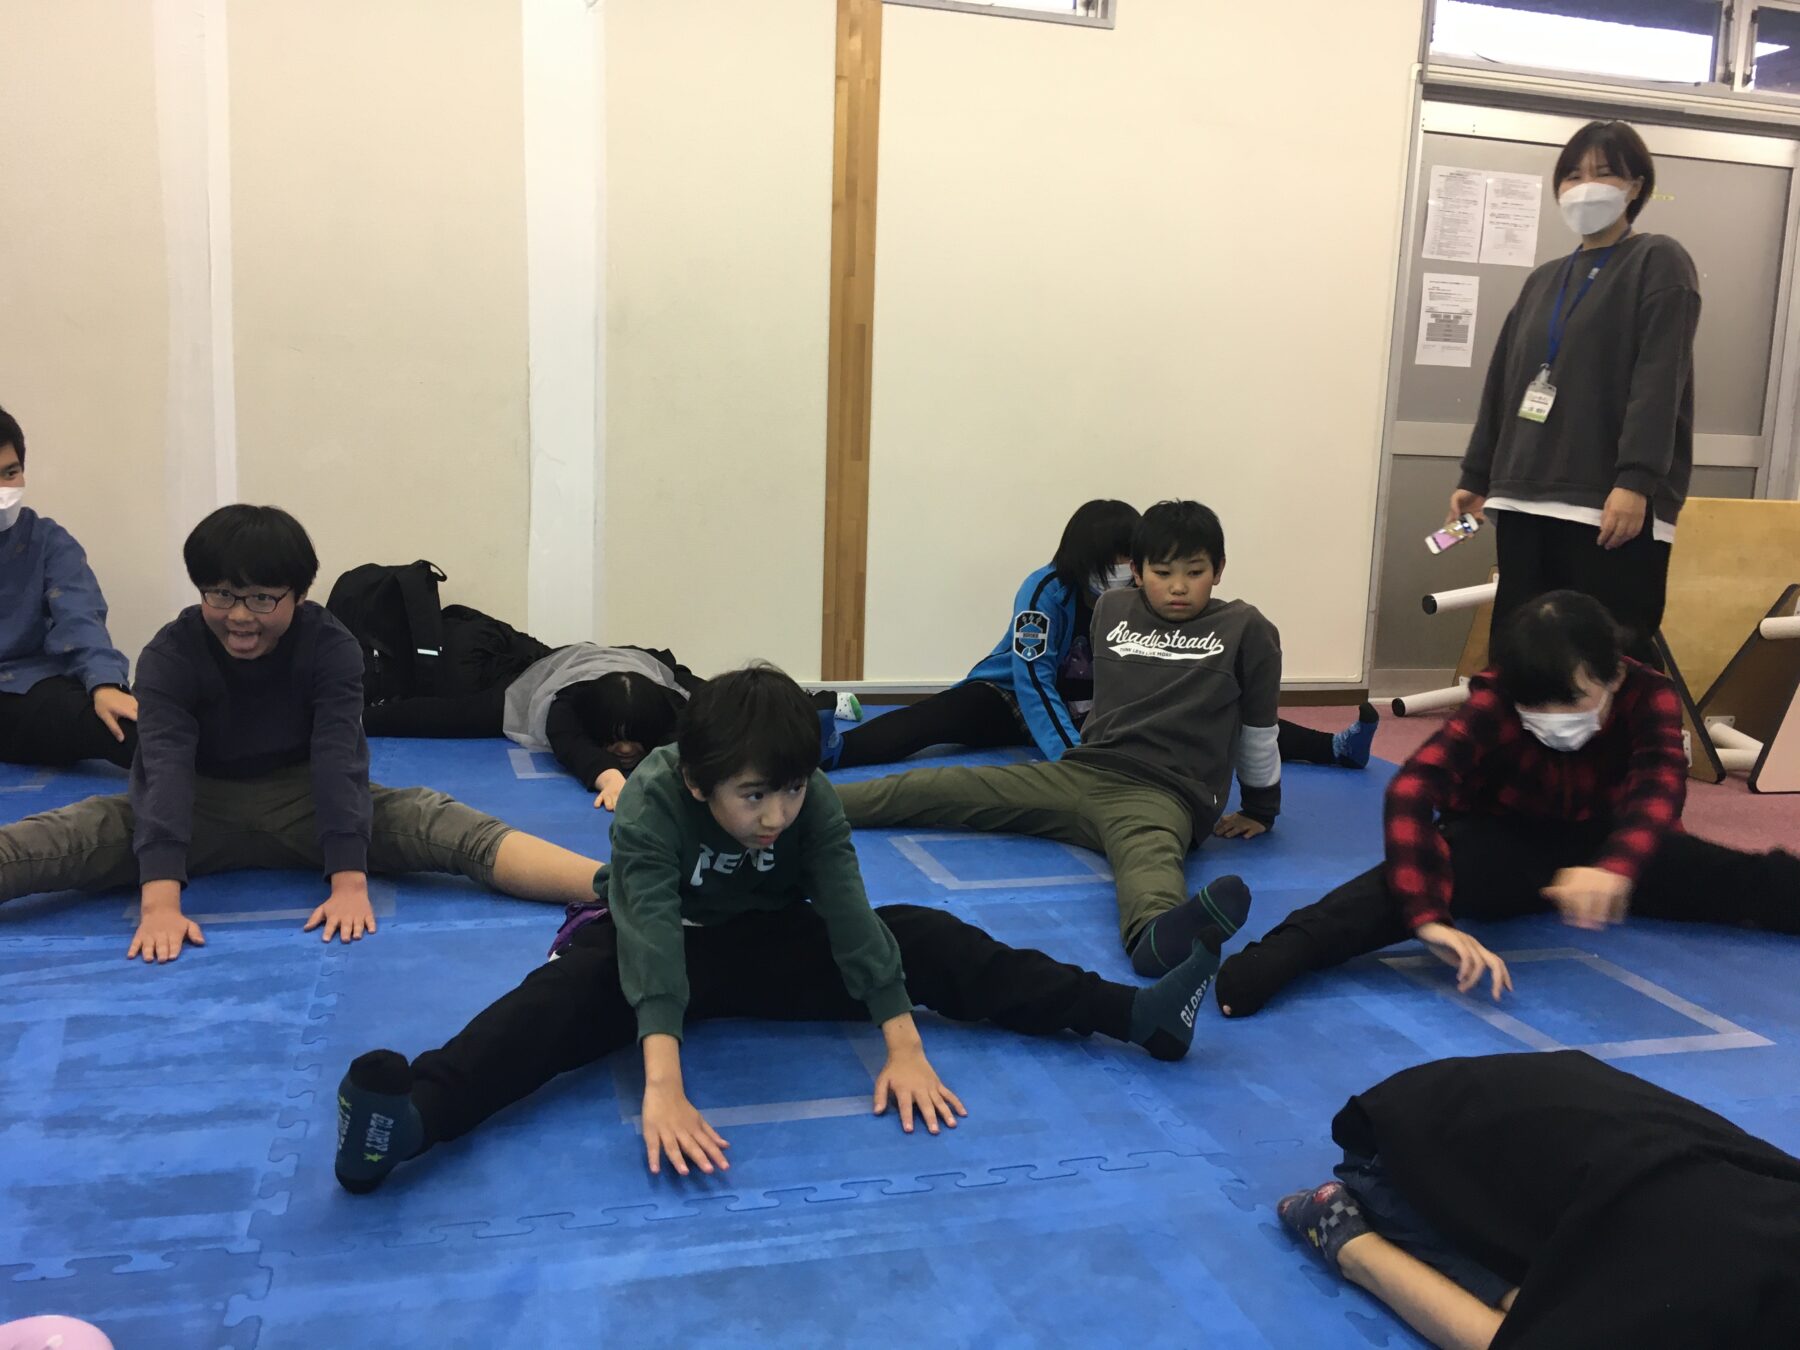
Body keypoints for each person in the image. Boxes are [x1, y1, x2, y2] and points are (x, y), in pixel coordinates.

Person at [330, 665, 1242, 1192]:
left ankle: (1136, 1016)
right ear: (699, 784)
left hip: (766, 945)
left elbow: (851, 918)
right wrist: (664, 1085)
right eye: (755, 796)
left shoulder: (809, 810)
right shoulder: (652, 800)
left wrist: (903, 1043)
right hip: (659, 942)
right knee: (557, 1000)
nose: (777, 815)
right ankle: (408, 1123)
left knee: (926, 935)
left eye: (792, 790)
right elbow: (649, 938)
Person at [0, 505, 606, 962]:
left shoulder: (330, 646)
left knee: (445, 826)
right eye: (221, 594)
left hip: (307, 800)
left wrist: (348, 880)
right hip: (193, 803)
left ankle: (620, 884)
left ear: (299, 595)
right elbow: (164, 770)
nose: (240, 615)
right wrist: (159, 902)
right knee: (52, 840)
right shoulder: (171, 654)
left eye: (262, 598)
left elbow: (339, 759)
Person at [1214, 589, 1800, 1018]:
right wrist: (1430, 920)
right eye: (1535, 708)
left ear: (1614, 676)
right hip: (1502, 839)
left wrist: (1615, 867)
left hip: (1607, 843)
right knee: (1396, 886)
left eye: (1573, 701)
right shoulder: (1496, 699)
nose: (1552, 720)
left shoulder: (1649, 694)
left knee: (1735, 877)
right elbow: (1413, 789)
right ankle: (1278, 955)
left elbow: (1659, 787)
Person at [834, 500, 1270, 977]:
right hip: (1082, 769)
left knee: (1148, 863)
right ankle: (820, 803)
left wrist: (1260, 807)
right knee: (942, 786)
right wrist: (1071, 754)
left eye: (1195, 572)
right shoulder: (1112, 609)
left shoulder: (1245, 628)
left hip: (1163, 793)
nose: (1179, 586)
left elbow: (1258, 727)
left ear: (1219, 570)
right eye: (1163, 572)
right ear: (1138, 572)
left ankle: (1153, 936)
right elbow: (1050, 682)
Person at [1276, 1051, 1800, 1350]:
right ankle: (1350, 1240)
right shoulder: (1710, 1282)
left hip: (1517, 1129)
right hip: (1395, 1161)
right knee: (1507, 1331)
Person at [821, 498, 1378, 778]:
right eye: (1111, 561)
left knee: (1215, 714)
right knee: (938, 717)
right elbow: (1034, 681)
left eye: (1128, 561)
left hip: (1104, 707)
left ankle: (1333, 748)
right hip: (1010, 697)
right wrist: (1075, 760)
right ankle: (840, 750)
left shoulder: (1145, 593)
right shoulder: (1045, 590)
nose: (1122, 572)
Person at [1450, 120, 1700, 665]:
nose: (1585, 187)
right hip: (1522, 495)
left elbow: (1660, 379)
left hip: (1606, 506)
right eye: (1572, 176)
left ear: (1636, 186)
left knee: (1606, 660)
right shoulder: (1544, 279)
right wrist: (1477, 475)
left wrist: (1635, 481)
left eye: (1604, 173)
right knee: (1523, 658)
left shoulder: (1658, 261)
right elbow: (1503, 382)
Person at [367, 640, 855, 812]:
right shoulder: (566, 705)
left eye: (632, 740)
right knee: (455, 716)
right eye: (613, 740)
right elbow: (569, 741)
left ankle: (814, 700)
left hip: (647, 665)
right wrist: (607, 776)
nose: (623, 749)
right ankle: (367, 710)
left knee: (725, 701)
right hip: (564, 666)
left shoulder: (673, 705)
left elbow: (698, 734)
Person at [0, 404, 138, 770]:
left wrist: (106, 684)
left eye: (10, 473)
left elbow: (80, 616)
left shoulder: (47, 540)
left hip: (29, 687)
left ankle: (239, 770)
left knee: (122, 724)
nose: (3, 490)